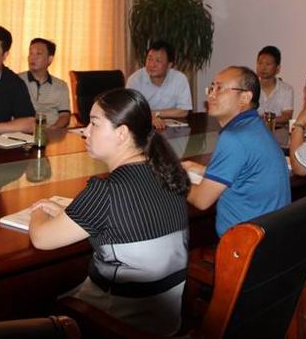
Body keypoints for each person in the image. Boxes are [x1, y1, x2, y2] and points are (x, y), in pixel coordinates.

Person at [29, 89, 189, 336]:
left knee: (33, 307)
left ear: (122, 133)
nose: (85, 131)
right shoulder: (166, 174)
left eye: (94, 124)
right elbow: (130, 219)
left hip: (117, 325)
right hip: (164, 323)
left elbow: (41, 239)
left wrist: (38, 209)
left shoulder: (106, 191)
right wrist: (70, 212)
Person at [183, 66, 290, 237]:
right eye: (211, 88)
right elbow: (244, 174)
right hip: (272, 237)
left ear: (245, 97)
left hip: (246, 245)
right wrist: (203, 170)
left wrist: (173, 178)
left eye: (220, 89)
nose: (211, 95)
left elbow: (201, 200)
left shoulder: (234, 138)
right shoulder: (256, 125)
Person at [126, 41, 192, 130]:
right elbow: (130, 111)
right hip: (142, 129)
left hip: (173, 130)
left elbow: (183, 111)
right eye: (149, 59)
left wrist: (153, 114)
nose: (152, 65)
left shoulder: (180, 79)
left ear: (169, 65)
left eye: (158, 61)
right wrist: (149, 118)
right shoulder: (135, 80)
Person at [18, 38, 71, 129]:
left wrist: (52, 130)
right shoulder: (16, 81)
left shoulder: (61, 85)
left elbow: (65, 115)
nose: (32, 57)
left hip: (52, 131)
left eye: (38, 54)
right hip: (22, 131)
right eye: (31, 53)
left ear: (50, 59)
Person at [256, 45, 294, 126]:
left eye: (268, 64)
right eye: (260, 63)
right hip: (255, 129)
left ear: (278, 68)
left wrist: (265, 120)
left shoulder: (286, 89)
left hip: (277, 130)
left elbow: (287, 116)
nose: (263, 67)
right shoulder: (251, 88)